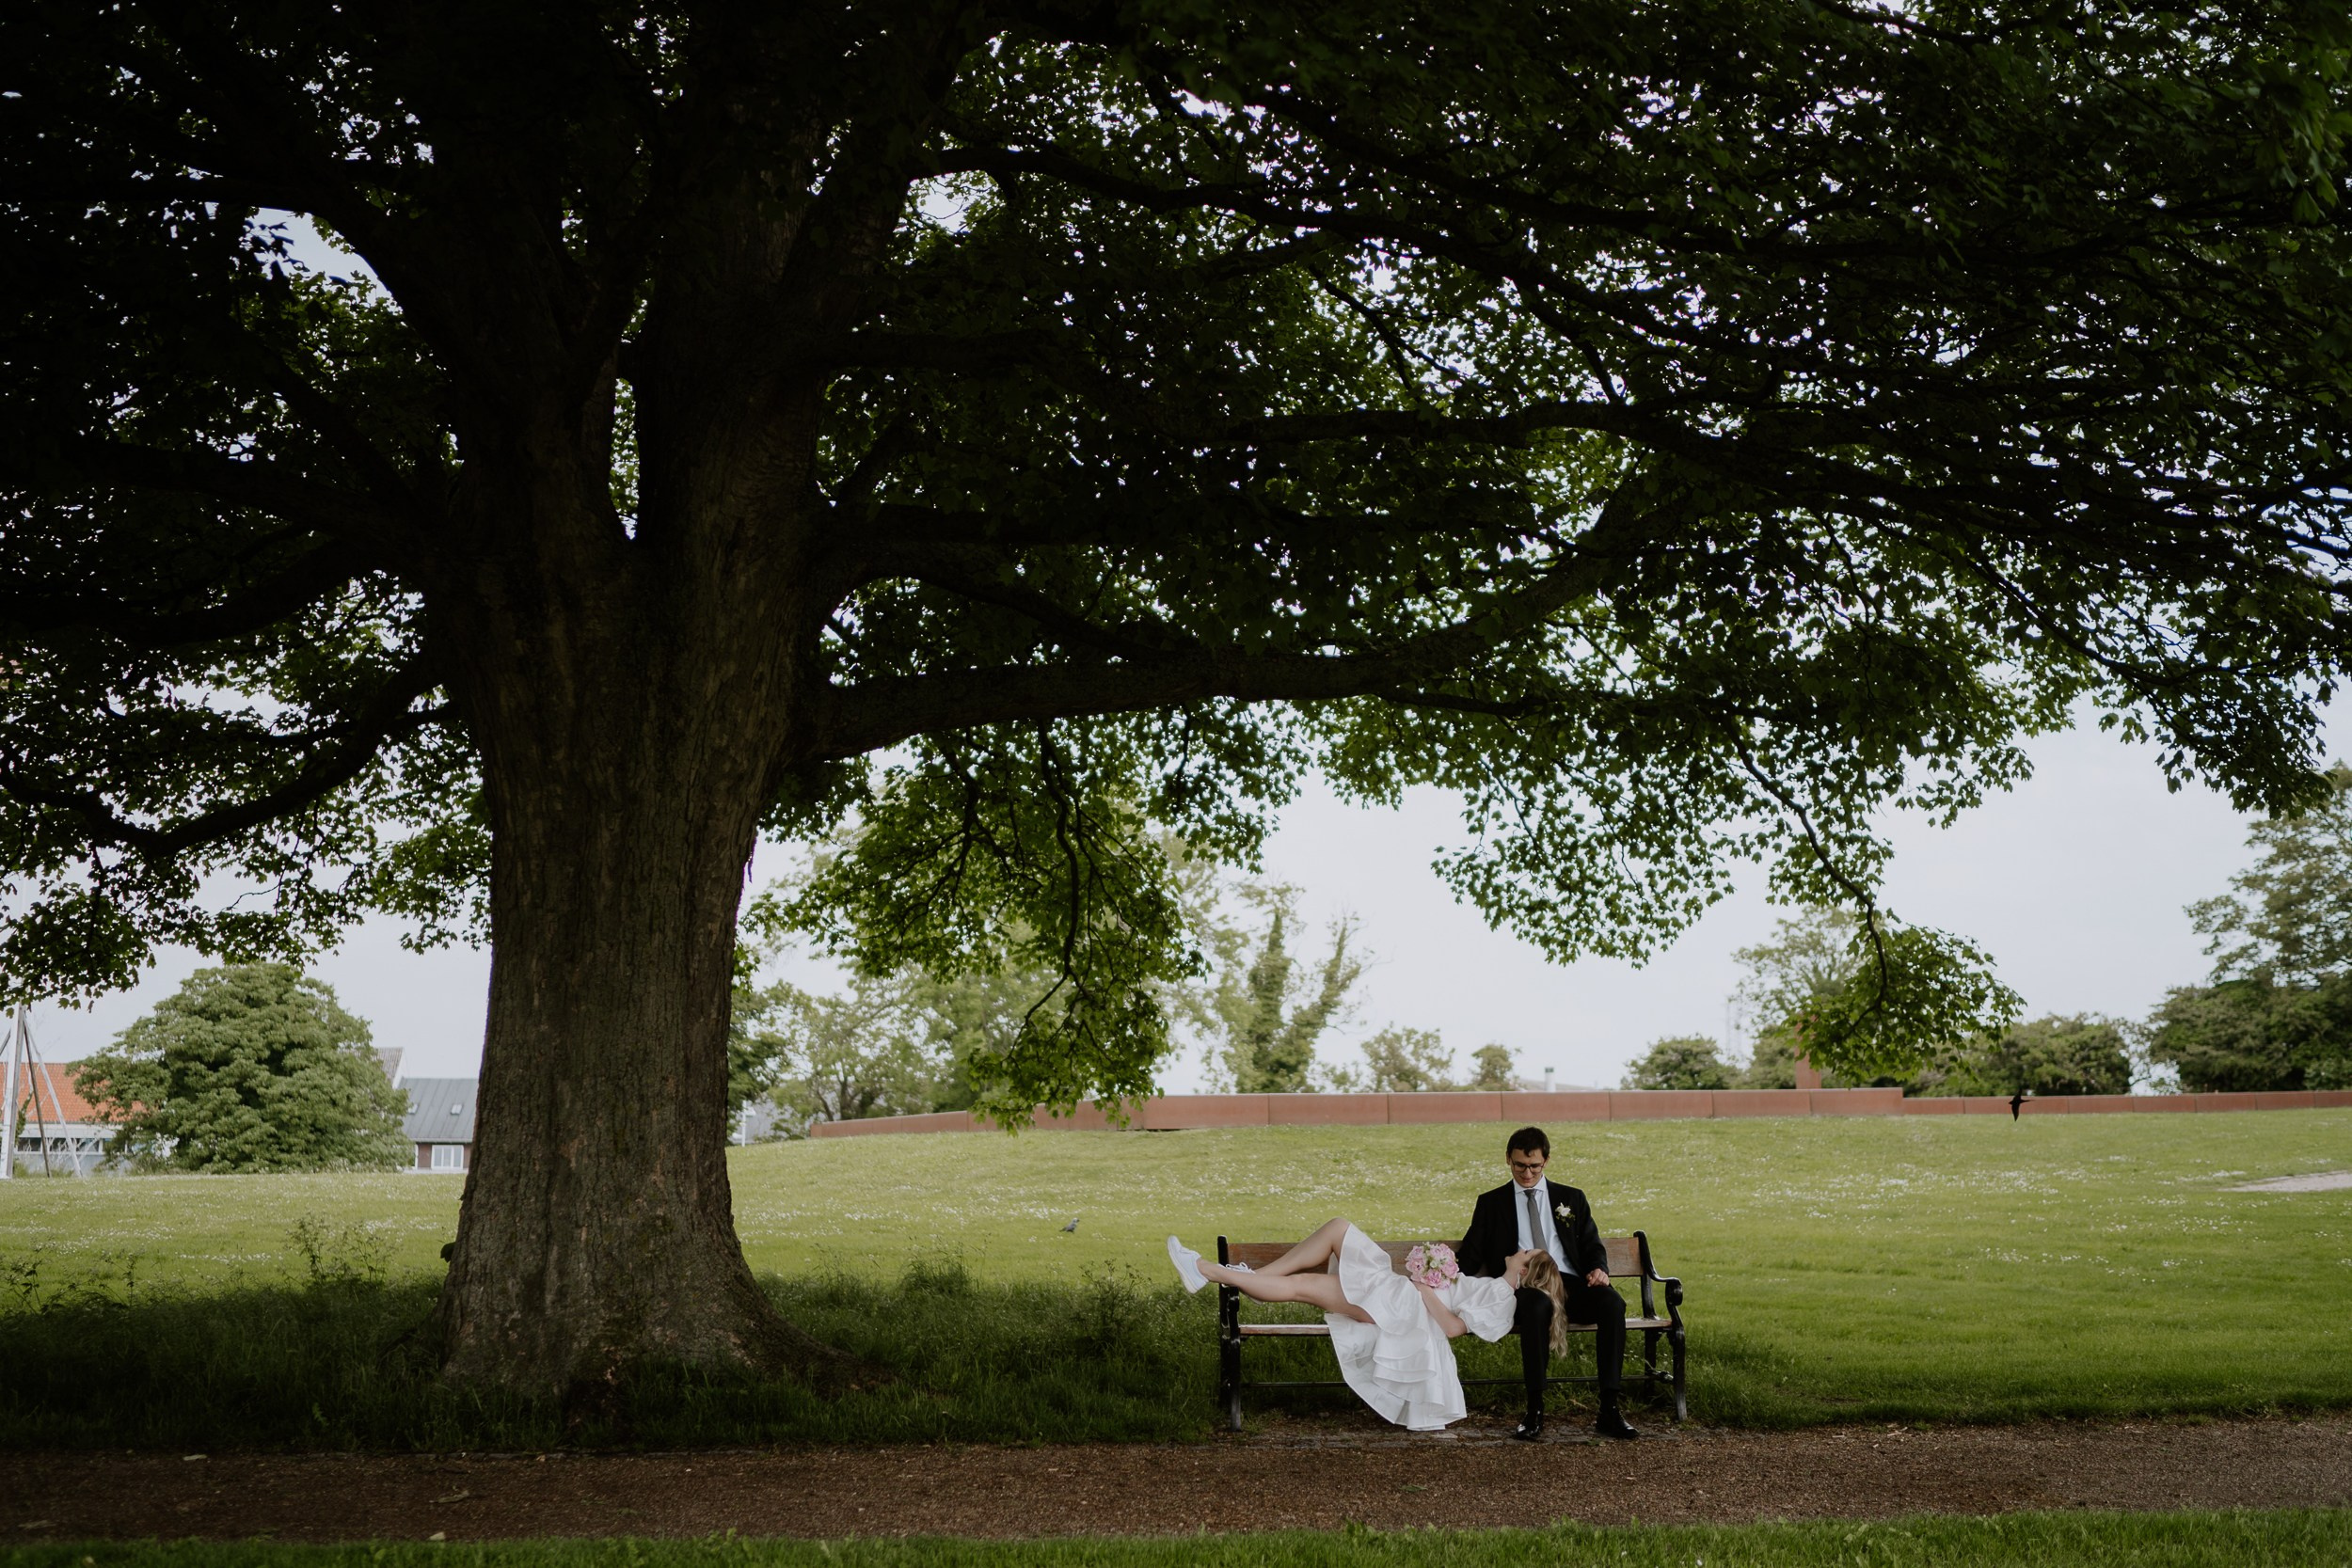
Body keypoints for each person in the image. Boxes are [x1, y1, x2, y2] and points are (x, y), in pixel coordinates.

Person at [1166, 1219, 1532, 1431]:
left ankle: (1206, 1270)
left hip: (1401, 1305)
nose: (1521, 1249)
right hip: (1400, 1297)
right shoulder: (1497, 1288)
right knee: (1336, 1232)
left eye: (1527, 1253)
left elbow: (1452, 1328)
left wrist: (1424, 1289)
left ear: (1526, 1270)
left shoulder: (1503, 1298)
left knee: (1304, 1283)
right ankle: (1248, 1278)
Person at [1456, 1125, 1639, 1441]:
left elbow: (1592, 1245)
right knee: (1536, 1305)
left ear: (1546, 1161)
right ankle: (1535, 1409)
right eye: (1519, 1165)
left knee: (1612, 1303)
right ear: (1508, 1159)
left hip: (1569, 1283)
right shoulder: (1492, 1203)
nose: (1527, 1174)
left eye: (1534, 1166)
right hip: (1524, 1287)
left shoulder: (1571, 1198)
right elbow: (1471, 1255)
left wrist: (1599, 1269)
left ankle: (1609, 1408)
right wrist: (1440, 1271)